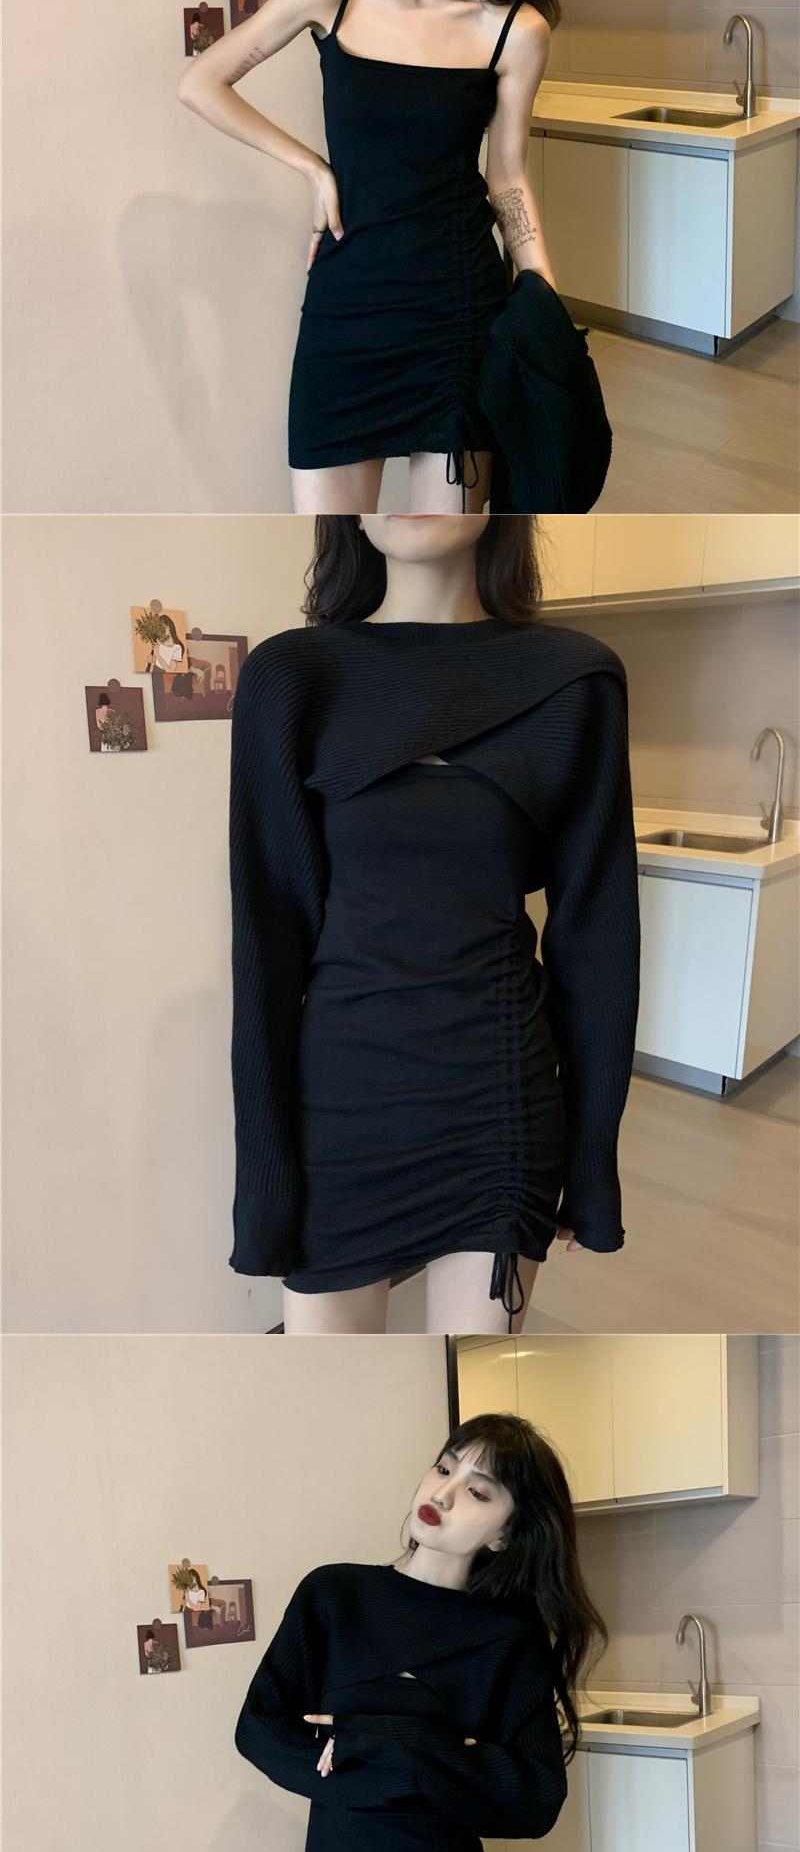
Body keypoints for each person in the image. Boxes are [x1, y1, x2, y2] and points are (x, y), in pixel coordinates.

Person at [228, 512, 640, 1334]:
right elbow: (266, 948)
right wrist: (264, 1186)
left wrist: (592, 1170)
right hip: (339, 1115)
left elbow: (599, 943)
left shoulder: (575, 680)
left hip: (500, 1111)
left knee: (472, 1371)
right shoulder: (292, 676)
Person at [178, 0, 560, 511]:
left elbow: (507, 176)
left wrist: (542, 297)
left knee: (442, 554)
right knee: (333, 549)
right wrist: (313, 169)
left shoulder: (516, 30)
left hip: (458, 312)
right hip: (346, 305)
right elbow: (202, 82)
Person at [234, 1411, 606, 1852]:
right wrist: (426, 1765)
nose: (447, 1491)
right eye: (445, 1467)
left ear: (504, 1533)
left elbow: (534, 1798)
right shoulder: (333, 1597)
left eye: (480, 1490)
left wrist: (405, 1745)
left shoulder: (509, 1639)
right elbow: (258, 1730)